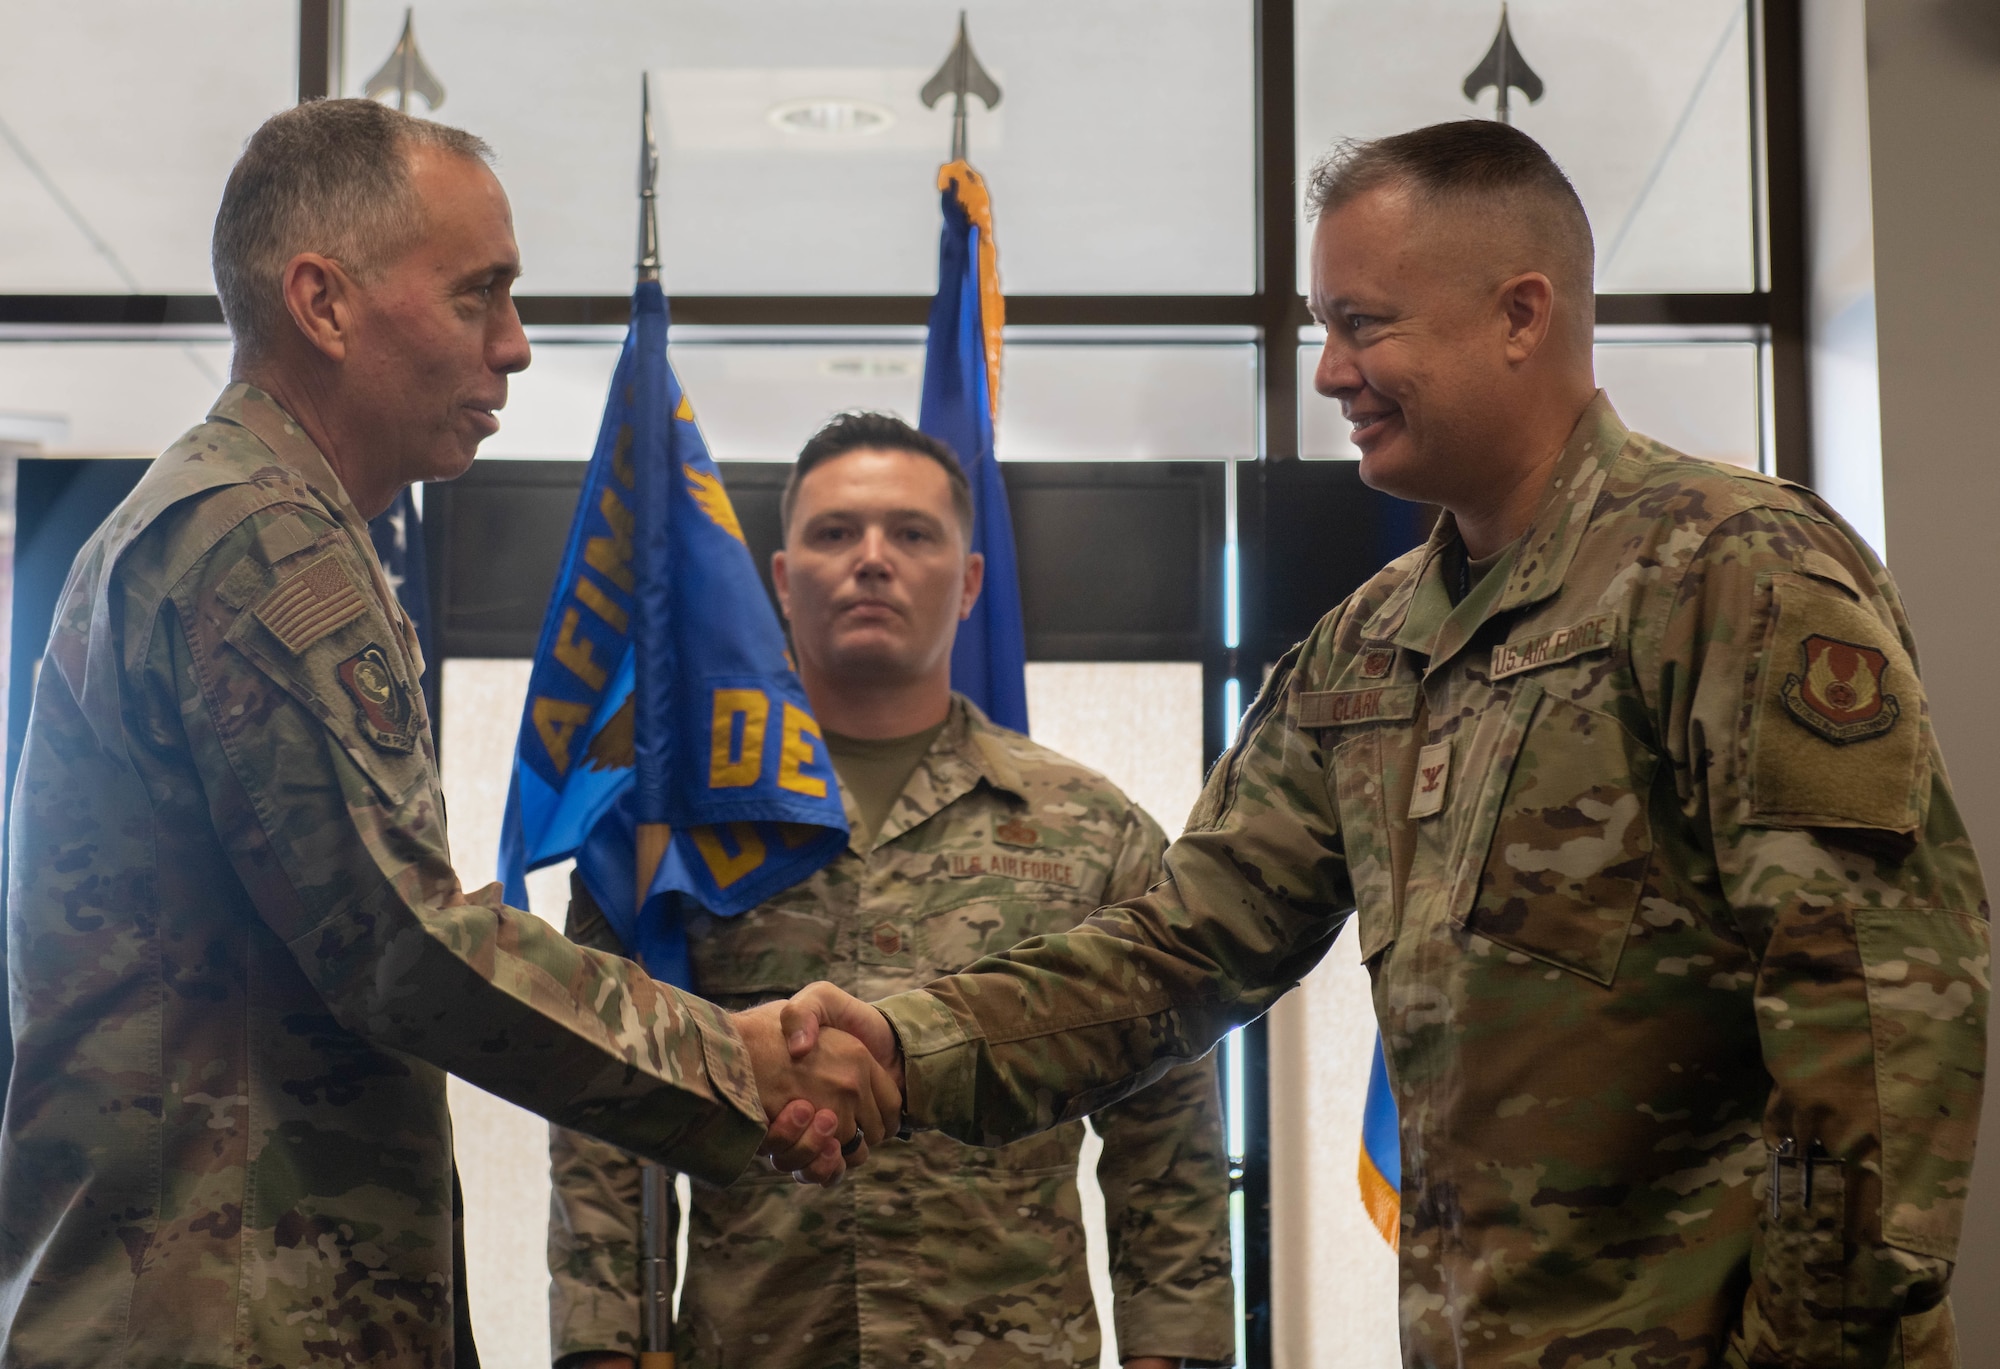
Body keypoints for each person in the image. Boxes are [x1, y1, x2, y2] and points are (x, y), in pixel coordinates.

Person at [783, 121, 1989, 1365]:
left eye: (1361, 324)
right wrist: (898, 1044)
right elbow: (1178, 950)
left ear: (1519, 315)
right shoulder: (1364, 649)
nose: (1326, 372)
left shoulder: (1733, 571)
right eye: (1320, 327)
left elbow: (1880, 1027)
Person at [0, 99, 892, 1369]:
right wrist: (733, 1061)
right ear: (324, 303)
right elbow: (402, 944)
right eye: (480, 295)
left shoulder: (262, 521)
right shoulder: (256, 536)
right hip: (223, 1316)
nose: (517, 347)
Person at [549, 412, 1235, 1369]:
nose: (873, 559)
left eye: (913, 534)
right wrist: (602, 1350)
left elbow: (1168, 1138)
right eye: (835, 533)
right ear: (783, 580)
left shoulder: (1095, 830)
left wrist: (1177, 1354)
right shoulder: (674, 831)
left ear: (970, 583)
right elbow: (605, 1119)